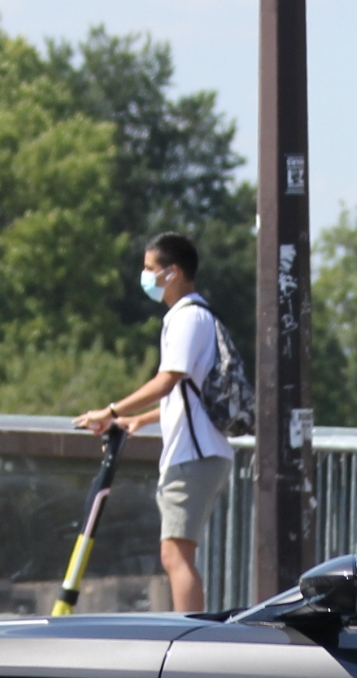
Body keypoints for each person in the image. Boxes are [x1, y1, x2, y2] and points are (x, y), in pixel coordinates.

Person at [73, 231, 231, 612]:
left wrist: (109, 412)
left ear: (172, 273)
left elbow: (168, 380)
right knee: (176, 554)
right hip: (196, 452)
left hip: (194, 454)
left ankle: (190, 638)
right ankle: (191, 632)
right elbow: (182, 393)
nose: (145, 277)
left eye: (150, 269)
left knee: (176, 555)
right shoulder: (192, 316)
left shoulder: (188, 317)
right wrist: (137, 420)